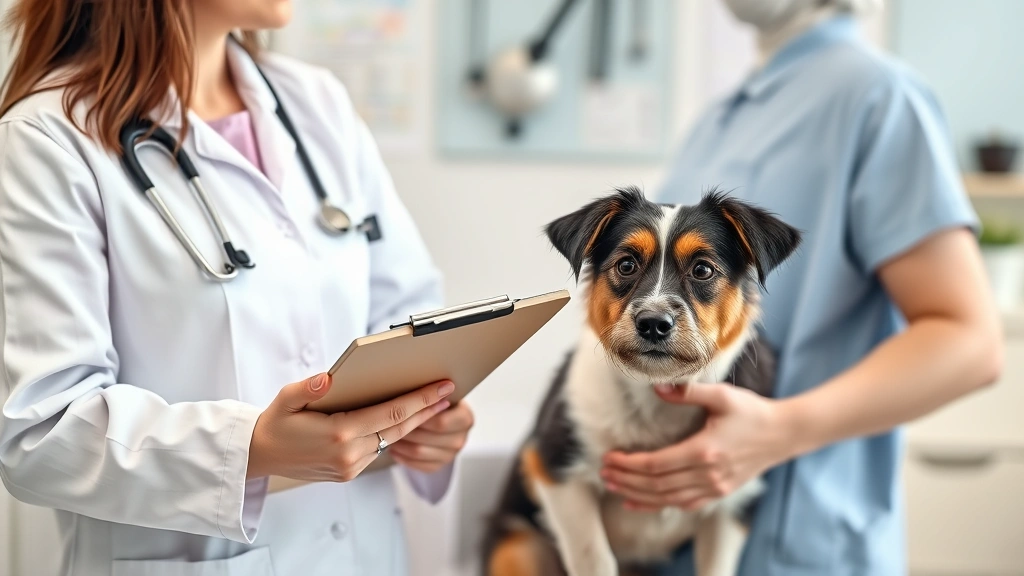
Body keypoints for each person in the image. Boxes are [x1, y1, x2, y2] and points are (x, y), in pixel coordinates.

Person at [0, 1, 473, 575]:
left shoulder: (315, 102)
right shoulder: (47, 139)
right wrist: (250, 448)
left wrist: (430, 418)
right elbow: (42, 435)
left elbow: (408, 312)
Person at [596, 1, 1003, 574]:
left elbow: (970, 340)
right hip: (671, 541)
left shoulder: (879, 97)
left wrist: (779, 432)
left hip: (802, 544)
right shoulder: (717, 118)